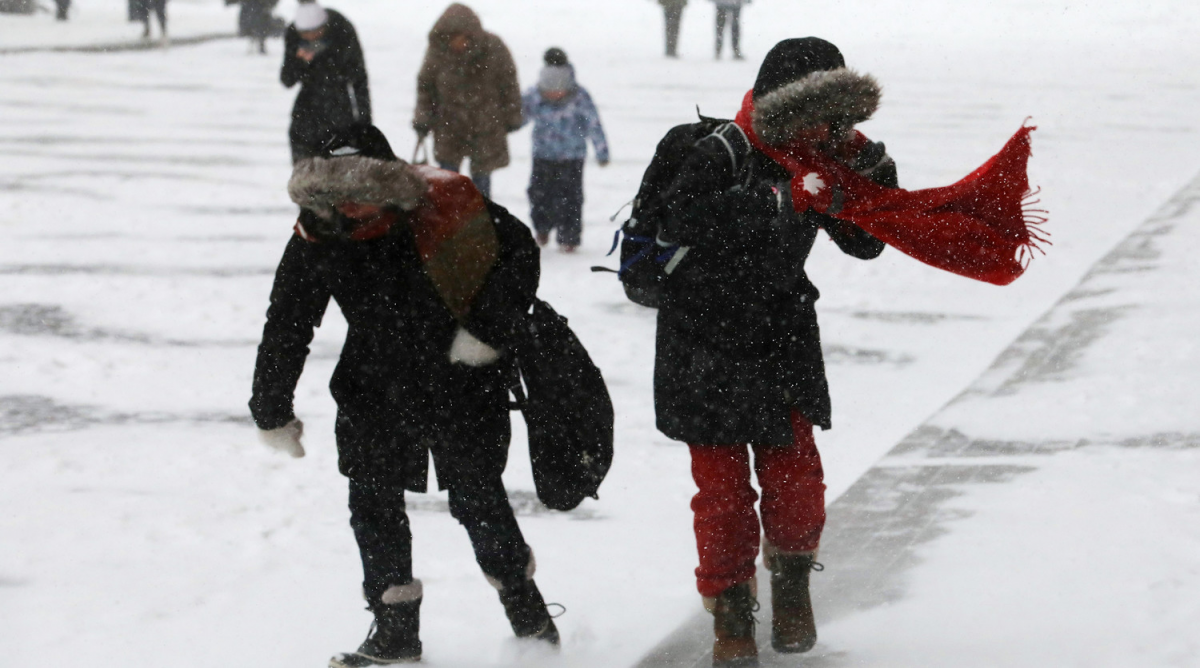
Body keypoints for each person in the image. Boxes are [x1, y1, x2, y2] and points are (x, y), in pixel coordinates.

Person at [250, 124, 559, 667]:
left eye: (363, 191)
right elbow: (288, 320)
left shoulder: (444, 207)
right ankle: (395, 633)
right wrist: (271, 407)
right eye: (337, 193)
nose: (351, 206)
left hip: (460, 382)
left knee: (478, 501)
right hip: (374, 388)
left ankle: (528, 615)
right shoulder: (319, 231)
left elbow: (517, 260)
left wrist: (484, 332)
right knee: (372, 505)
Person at [654, 37, 896, 667]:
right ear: (780, 105)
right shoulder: (721, 152)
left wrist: (870, 172)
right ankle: (731, 616)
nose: (823, 128)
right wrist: (780, 199)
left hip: (781, 339)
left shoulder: (826, 155)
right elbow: (681, 219)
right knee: (722, 492)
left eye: (835, 116)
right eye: (814, 114)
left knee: (795, 482)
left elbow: (866, 244)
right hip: (702, 341)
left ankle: (791, 589)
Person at [414, 3, 521, 200]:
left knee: (482, 185)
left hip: (485, 126)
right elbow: (425, 88)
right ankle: (450, 225)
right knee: (447, 183)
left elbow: (509, 83)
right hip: (449, 125)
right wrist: (422, 119)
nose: (457, 43)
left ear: (472, 34)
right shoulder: (437, 53)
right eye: (452, 38)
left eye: (460, 37)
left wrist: (513, 115)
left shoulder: (493, 48)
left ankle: (483, 223)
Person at [519, 47, 610, 253]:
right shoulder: (534, 95)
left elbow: (594, 124)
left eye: (559, 88)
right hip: (543, 155)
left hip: (572, 157)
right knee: (539, 194)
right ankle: (542, 228)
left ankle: (569, 236)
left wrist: (602, 151)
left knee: (571, 197)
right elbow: (519, 117)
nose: (554, 93)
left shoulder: (580, 97)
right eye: (549, 89)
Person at [280, 1, 370, 163]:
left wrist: (365, 125)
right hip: (306, 114)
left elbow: (359, 81)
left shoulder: (342, 30)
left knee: (340, 174)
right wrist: (300, 62)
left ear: (325, 27)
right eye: (305, 35)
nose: (310, 38)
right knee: (306, 178)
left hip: (340, 112)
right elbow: (287, 80)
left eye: (315, 33)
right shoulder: (293, 34)